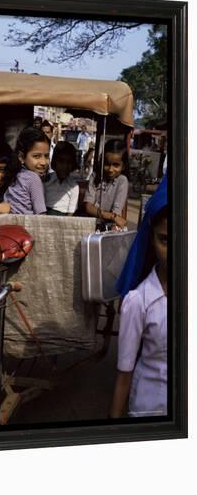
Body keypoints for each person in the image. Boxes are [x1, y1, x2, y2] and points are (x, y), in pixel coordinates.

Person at [110, 176, 168, 418]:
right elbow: (125, 374)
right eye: (164, 239)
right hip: (149, 411)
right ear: (151, 240)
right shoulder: (139, 301)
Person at [83, 138, 129, 229]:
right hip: (91, 222)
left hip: (109, 225)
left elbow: (116, 211)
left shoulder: (122, 181)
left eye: (116, 165)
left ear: (123, 166)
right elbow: (88, 207)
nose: (111, 169)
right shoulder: (95, 176)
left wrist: (112, 218)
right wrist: (110, 216)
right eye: (107, 164)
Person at [4, 127, 49, 215]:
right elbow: (41, 215)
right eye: (36, 156)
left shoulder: (17, 174)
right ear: (21, 157)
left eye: (46, 156)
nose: (43, 162)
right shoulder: (33, 178)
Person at [44, 141, 79, 216]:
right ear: (55, 161)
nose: (65, 166)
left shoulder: (74, 186)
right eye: (61, 161)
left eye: (69, 162)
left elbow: (70, 214)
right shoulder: (46, 180)